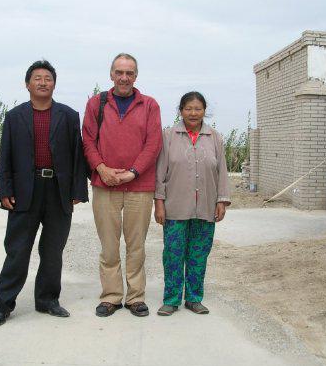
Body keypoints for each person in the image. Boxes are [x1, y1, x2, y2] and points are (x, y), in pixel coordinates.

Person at [0, 60, 88, 326]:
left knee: (53, 249)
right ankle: (3, 304)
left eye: (48, 78)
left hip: (58, 190)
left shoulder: (68, 115)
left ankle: (47, 300)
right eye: (37, 78)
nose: (43, 82)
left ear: (54, 84)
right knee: (17, 250)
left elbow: (77, 154)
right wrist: (4, 191)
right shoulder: (14, 116)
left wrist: (78, 189)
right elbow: (5, 156)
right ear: (27, 84)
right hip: (25, 191)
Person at [82, 53, 162, 317]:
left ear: (136, 76)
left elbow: (153, 144)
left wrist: (133, 172)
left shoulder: (149, 105)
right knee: (109, 245)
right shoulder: (97, 103)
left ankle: (136, 297)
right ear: (111, 75)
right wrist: (101, 169)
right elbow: (88, 140)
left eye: (129, 73)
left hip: (139, 187)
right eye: (119, 72)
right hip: (105, 185)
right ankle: (111, 296)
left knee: (136, 245)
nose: (124, 77)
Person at [154, 91, 230, 316]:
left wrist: (221, 201)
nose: (193, 113)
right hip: (175, 207)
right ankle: (172, 299)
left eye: (198, 109)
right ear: (181, 111)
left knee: (198, 254)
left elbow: (222, 172)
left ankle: (194, 298)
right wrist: (159, 203)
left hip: (205, 207)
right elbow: (160, 173)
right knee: (173, 254)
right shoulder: (168, 136)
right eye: (189, 109)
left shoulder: (214, 137)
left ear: (205, 111)